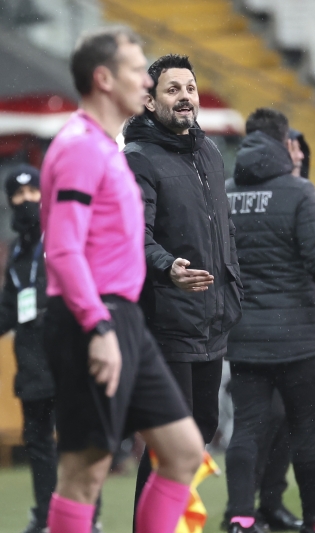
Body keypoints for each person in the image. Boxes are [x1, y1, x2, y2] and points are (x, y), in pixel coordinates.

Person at [40, 26, 204, 533]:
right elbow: (61, 249)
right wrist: (98, 325)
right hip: (92, 319)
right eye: (137, 70)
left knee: (184, 452)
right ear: (104, 79)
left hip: (125, 318)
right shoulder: (79, 149)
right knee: (85, 474)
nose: (146, 81)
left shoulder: (107, 147)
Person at [224, 107, 315, 533]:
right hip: (298, 336)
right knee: (305, 431)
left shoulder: (224, 192)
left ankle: (241, 518)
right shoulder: (298, 192)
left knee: (246, 428)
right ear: (283, 142)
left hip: (244, 334)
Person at [122, 53, 242, 522]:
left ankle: (169, 522)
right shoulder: (138, 159)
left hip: (211, 317)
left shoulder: (209, 151)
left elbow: (223, 228)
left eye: (190, 88)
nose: (185, 97)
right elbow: (133, 236)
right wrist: (167, 267)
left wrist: (233, 283)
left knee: (201, 430)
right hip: (166, 317)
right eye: (173, 89)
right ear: (150, 102)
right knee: (173, 441)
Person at [0, 165, 103, 533]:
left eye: (33, 192)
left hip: (68, 352)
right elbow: (8, 310)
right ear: (9, 200)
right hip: (31, 362)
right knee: (39, 442)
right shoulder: (16, 251)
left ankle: (88, 516)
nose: (26, 200)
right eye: (18, 194)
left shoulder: (64, 236)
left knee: (79, 437)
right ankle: (46, 517)